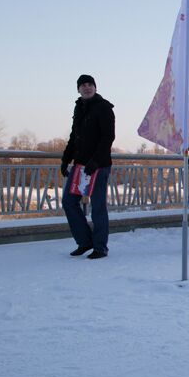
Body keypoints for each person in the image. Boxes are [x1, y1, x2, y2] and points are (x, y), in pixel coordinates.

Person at [61, 74, 115, 259]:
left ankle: (100, 247)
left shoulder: (104, 108)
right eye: (83, 85)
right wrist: (65, 159)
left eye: (90, 84)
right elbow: (74, 136)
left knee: (98, 206)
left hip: (98, 166)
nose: (87, 87)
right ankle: (85, 241)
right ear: (78, 89)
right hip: (80, 166)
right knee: (69, 202)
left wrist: (95, 161)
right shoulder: (79, 107)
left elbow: (108, 137)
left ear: (95, 87)